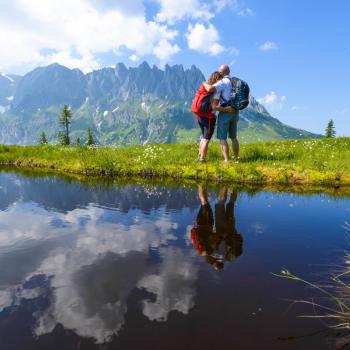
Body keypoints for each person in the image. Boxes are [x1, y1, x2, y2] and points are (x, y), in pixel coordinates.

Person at [203, 64, 240, 162]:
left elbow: (210, 89)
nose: (219, 73)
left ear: (223, 72)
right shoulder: (235, 82)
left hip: (225, 112)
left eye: (220, 71)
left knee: (222, 138)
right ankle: (236, 158)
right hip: (235, 111)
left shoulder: (222, 82)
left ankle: (226, 160)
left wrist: (204, 83)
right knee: (234, 137)